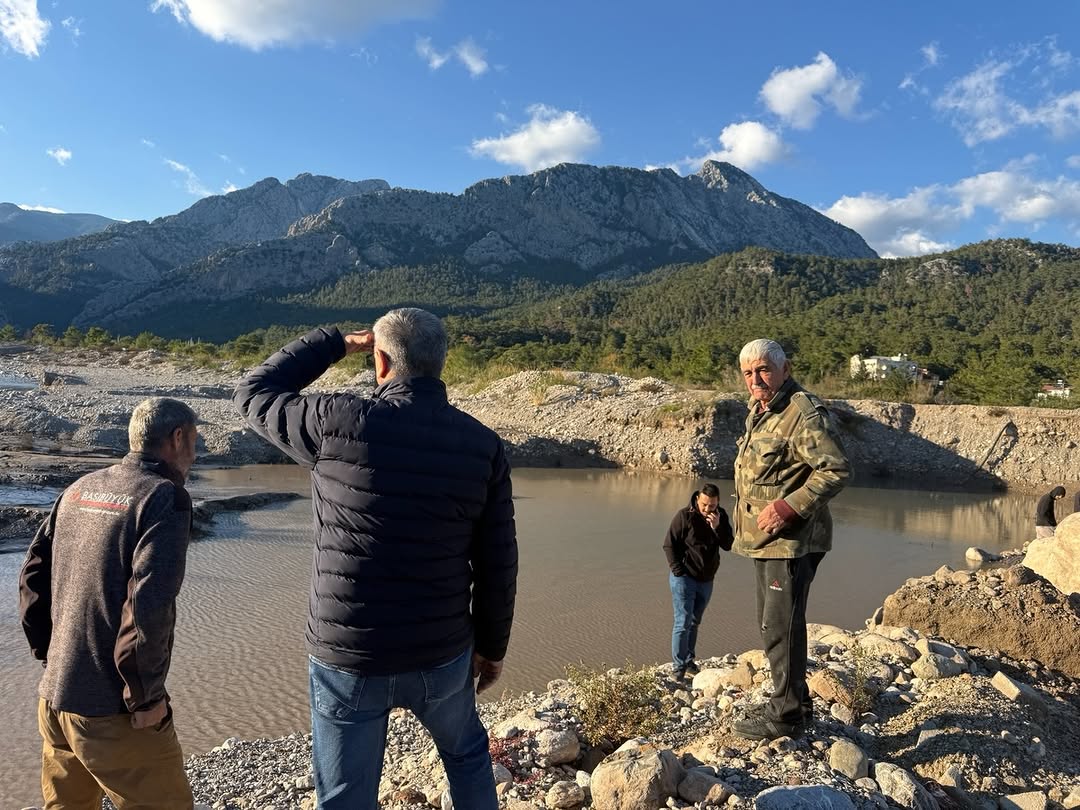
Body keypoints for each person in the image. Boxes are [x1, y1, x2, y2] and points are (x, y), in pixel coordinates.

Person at [233, 308, 517, 810]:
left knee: (344, 794)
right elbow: (497, 562)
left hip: (349, 652)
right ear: (441, 363)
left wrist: (338, 343)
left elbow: (254, 392)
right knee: (469, 756)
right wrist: (492, 647)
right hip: (442, 649)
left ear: (380, 362)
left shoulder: (337, 422)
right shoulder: (483, 446)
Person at [19, 397, 199, 809]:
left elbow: (31, 578)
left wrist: (50, 655)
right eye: (194, 439)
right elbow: (149, 605)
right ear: (176, 438)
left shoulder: (80, 488)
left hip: (55, 700)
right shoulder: (164, 498)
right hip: (112, 711)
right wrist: (146, 697)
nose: (196, 450)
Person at [730, 339, 851, 741]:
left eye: (763, 370)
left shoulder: (801, 412)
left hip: (792, 540)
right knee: (776, 623)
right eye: (748, 373)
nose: (755, 379)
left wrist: (788, 508)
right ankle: (795, 701)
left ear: (784, 368)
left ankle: (786, 716)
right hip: (766, 541)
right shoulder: (762, 410)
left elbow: (834, 470)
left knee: (780, 625)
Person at [663, 483, 733, 679]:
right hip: (684, 578)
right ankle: (678, 668)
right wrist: (677, 571)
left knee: (695, 621)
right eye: (704, 505)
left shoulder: (721, 516)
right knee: (682, 621)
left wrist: (717, 527)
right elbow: (669, 545)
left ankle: (689, 661)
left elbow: (728, 545)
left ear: (717, 503)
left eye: (711, 506)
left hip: (706, 579)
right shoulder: (684, 516)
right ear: (697, 499)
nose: (707, 509)